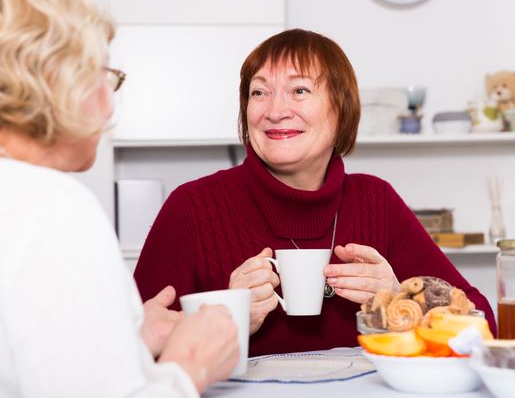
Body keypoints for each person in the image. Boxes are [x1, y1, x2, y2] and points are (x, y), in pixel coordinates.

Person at [134, 28, 496, 356]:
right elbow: (132, 349)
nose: (275, 111)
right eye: (259, 92)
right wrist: (226, 320)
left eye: (299, 91)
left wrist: (400, 300)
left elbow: (483, 324)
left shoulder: (376, 200)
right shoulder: (192, 207)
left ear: (341, 109)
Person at [0, 0, 239, 398]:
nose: (112, 100)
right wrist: (191, 365)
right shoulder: (48, 208)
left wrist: (129, 342)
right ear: (55, 78)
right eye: (105, 73)